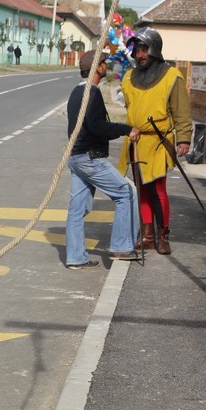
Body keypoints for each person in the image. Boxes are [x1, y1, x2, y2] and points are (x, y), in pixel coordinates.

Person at [118, 28, 192, 255]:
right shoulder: (129, 76)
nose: (140, 55)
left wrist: (184, 138)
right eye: (137, 50)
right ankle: (147, 235)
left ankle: (163, 235)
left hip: (159, 141)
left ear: (154, 50)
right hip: (136, 141)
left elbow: (181, 111)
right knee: (142, 189)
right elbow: (130, 106)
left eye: (144, 50)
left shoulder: (172, 76)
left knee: (158, 189)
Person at [65, 49, 141, 269]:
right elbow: (97, 127)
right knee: (127, 193)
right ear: (97, 67)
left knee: (77, 210)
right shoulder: (93, 93)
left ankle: (75, 258)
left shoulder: (75, 92)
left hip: (76, 157)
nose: (106, 65)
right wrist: (127, 129)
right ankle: (121, 246)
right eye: (104, 62)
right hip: (90, 158)